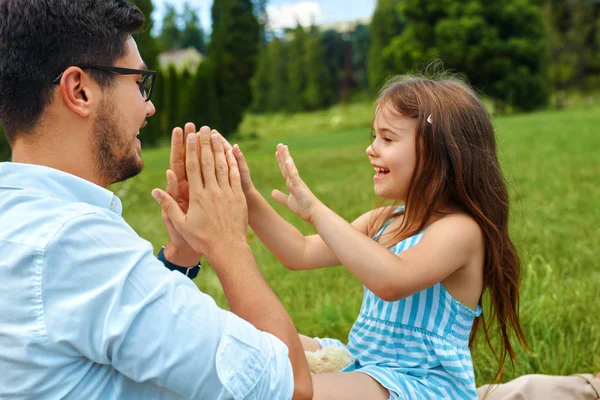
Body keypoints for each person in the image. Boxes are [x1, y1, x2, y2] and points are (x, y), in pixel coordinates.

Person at [0, 1, 312, 399]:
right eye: (139, 83)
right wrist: (228, 244)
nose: (149, 107)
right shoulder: (77, 245)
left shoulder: (22, 220)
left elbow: (118, 331)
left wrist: (181, 254)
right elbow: (289, 383)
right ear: (79, 91)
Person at [225, 75, 529, 399]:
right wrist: (246, 196)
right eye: (374, 137)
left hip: (423, 386)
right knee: (255, 339)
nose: (371, 149)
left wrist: (316, 209)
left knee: (291, 390)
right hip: (366, 366)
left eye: (387, 138)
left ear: (438, 152)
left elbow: (392, 280)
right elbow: (299, 252)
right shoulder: (383, 221)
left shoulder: (459, 231)